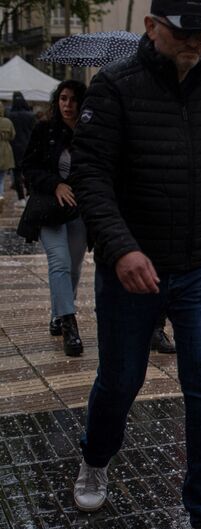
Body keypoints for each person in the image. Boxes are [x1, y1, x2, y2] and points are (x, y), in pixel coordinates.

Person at [68, 0, 201, 529]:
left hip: (200, 268)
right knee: (120, 380)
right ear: (151, 27)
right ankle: (96, 457)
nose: (194, 43)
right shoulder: (114, 87)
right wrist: (120, 250)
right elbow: (90, 175)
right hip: (131, 268)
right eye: (182, 33)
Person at [16, 80, 88, 357]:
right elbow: (29, 167)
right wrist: (55, 183)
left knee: (74, 268)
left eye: (72, 99)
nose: (67, 105)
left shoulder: (90, 133)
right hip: (49, 210)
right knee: (59, 262)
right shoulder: (44, 130)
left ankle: (58, 311)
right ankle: (69, 324)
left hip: (79, 210)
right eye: (62, 99)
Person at [7, 92, 36, 207]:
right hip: (29, 147)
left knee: (17, 173)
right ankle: (29, 193)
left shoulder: (10, 115)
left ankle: (21, 198)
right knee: (28, 171)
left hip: (15, 148)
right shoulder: (30, 115)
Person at [0, 104, 13, 199]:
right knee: (1, 179)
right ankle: (0, 196)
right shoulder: (7, 122)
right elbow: (13, 135)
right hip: (5, 151)